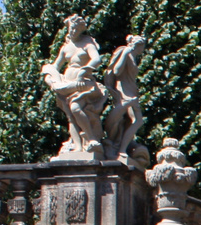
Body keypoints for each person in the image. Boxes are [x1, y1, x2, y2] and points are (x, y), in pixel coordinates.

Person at [40, 14, 106, 157]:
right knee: (71, 116)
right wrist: (49, 75)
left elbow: (96, 59)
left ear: (81, 30)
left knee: (76, 108)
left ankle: (92, 140)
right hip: (67, 84)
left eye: (76, 29)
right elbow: (56, 66)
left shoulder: (87, 42)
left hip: (83, 83)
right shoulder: (66, 47)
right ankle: (78, 146)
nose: (73, 32)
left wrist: (85, 69)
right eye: (71, 29)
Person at [103, 34, 148, 162]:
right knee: (135, 120)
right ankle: (120, 149)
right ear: (137, 45)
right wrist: (125, 53)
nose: (142, 50)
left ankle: (122, 148)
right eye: (142, 47)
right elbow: (116, 71)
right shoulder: (126, 52)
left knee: (135, 121)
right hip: (124, 91)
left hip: (131, 90)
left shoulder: (133, 56)